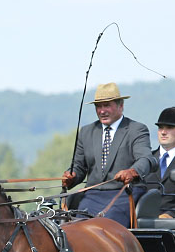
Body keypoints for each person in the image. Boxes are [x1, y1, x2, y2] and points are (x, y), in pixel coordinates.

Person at [61, 82, 156, 227]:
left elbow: (146, 159)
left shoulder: (136, 130)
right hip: (92, 195)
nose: (102, 111)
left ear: (120, 105)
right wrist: (71, 176)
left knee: (105, 225)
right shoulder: (86, 132)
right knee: (77, 227)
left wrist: (132, 171)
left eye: (107, 105)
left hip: (124, 193)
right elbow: (79, 167)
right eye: (98, 106)